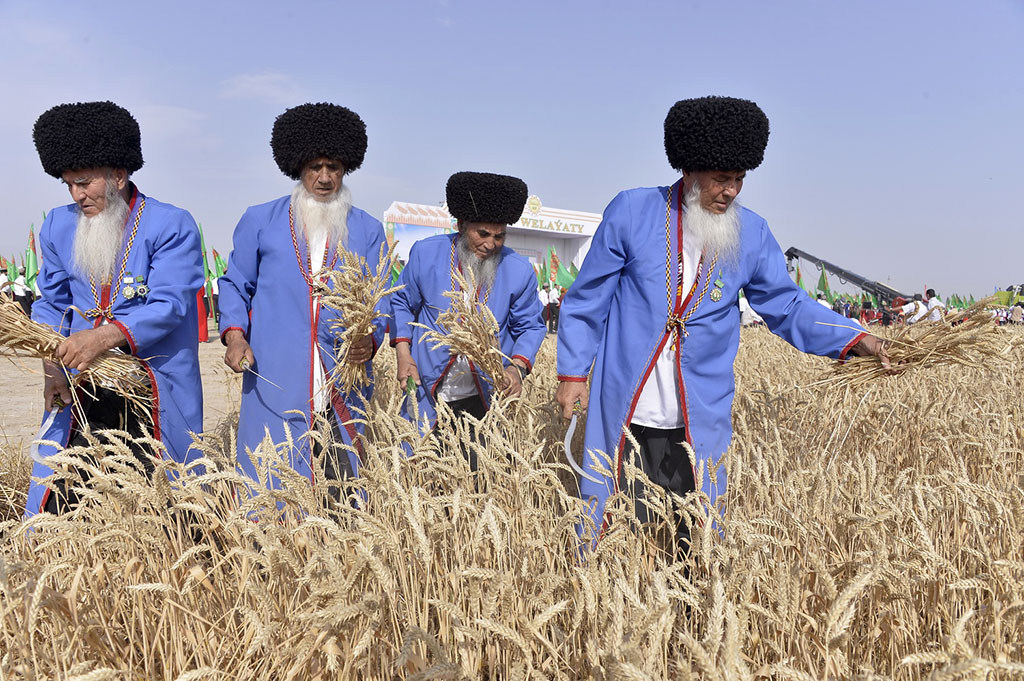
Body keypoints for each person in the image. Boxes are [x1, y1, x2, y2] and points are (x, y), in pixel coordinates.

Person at [555, 96, 890, 547]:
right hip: (625, 408)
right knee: (613, 534)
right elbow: (587, 299)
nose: (730, 190)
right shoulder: (633, 212)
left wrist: (856, 339)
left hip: (698, 417)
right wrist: (573, 373)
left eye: (739, 179)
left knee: (695, 540)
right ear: (689, 170)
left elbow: (788, 306)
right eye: (720, 179)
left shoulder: (752, 233)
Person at [26, 101, 205, 515]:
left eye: (85, 183)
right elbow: (51, 303)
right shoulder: (56, 225)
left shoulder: (170, 224)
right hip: (81, 382)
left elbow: (171, 303)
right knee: (68, 492)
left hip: (151, 382)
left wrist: (102, 337)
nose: (77, 195)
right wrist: (52, 369)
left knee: (163, 500)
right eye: (68, 184)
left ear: (119, 176)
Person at [218, 102, 387, 498]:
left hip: (343, 377)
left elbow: (382, 302)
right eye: (315, 167)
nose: (325, 178)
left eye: (334, 167)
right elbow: (234, 283)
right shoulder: (260, 220)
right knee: (271, 484)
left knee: (342, 488)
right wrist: (235, 336)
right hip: (275, 374)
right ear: (298, 167)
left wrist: (372, 339)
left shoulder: (368, 229)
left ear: (347, 167)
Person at [390, 171, 545, 449]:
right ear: (461, 225)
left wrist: (516, 369)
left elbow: (531, 327)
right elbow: (401, 303)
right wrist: (403, 353)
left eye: (500, 236)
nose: (491, 244)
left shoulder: (519, 270)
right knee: (419, 472)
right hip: (428, 391)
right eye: (483, 233)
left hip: (485, 400)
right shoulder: (426, 254)